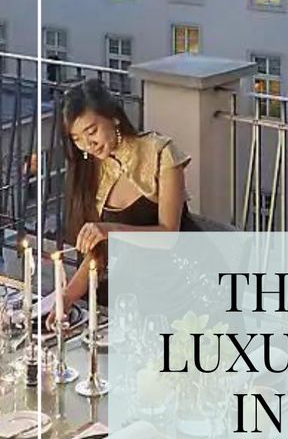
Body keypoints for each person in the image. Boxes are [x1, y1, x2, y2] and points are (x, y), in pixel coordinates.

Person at [47, 78, 199, 325]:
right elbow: (100, 251)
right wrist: (67, 296)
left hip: (189, 283)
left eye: (92, 131)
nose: (88, 144)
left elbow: (169, 236)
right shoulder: (90, 171)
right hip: (140, 287)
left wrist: (109, 230)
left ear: (113, 117)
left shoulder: (160, 152)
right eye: (77, 139)